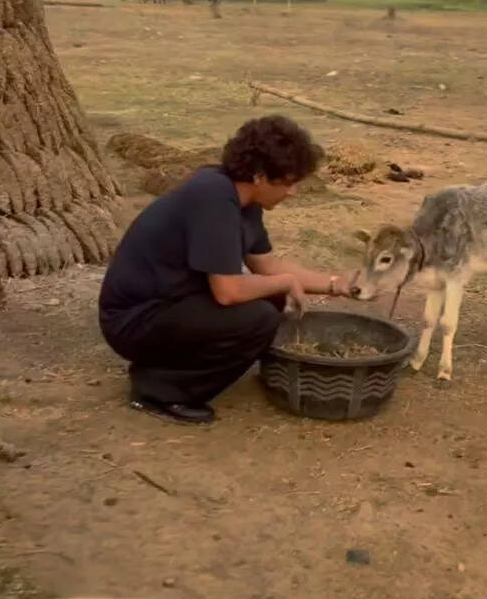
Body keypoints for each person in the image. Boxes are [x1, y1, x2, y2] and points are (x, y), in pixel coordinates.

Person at [97, 115, 351, 425]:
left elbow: (267, 265)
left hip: (173, 303)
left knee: (270, 300)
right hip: (135, 319)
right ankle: (160, 390)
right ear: (259, 176)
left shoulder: (245, 202)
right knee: (259, 318)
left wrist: (337, 284)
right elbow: (228, 292)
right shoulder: (213, 197)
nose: (292, 192)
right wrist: (284, 283)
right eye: (287, 182)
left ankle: (163, 371)